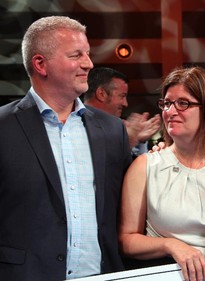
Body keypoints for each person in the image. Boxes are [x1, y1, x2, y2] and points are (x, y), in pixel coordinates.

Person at [0, 16, 133, 280]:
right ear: (40, 64)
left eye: (88, 54)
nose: (89, 64)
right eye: (76, 55)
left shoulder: (112, 130)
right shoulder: (3, 126)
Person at [118, 65, 205, 281]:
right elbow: (127, 240)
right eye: (167, 103)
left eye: (183, 103)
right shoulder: (145, 166)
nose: (170, 112)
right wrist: (171, 245)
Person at [83, 67, 161, 157]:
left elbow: (133, 169)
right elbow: (100, 164)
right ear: (101, 94)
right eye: (122, 96)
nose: (125, 104)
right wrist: (129, 141)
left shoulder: (117, 128)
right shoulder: (77, 125)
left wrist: (138, 140)